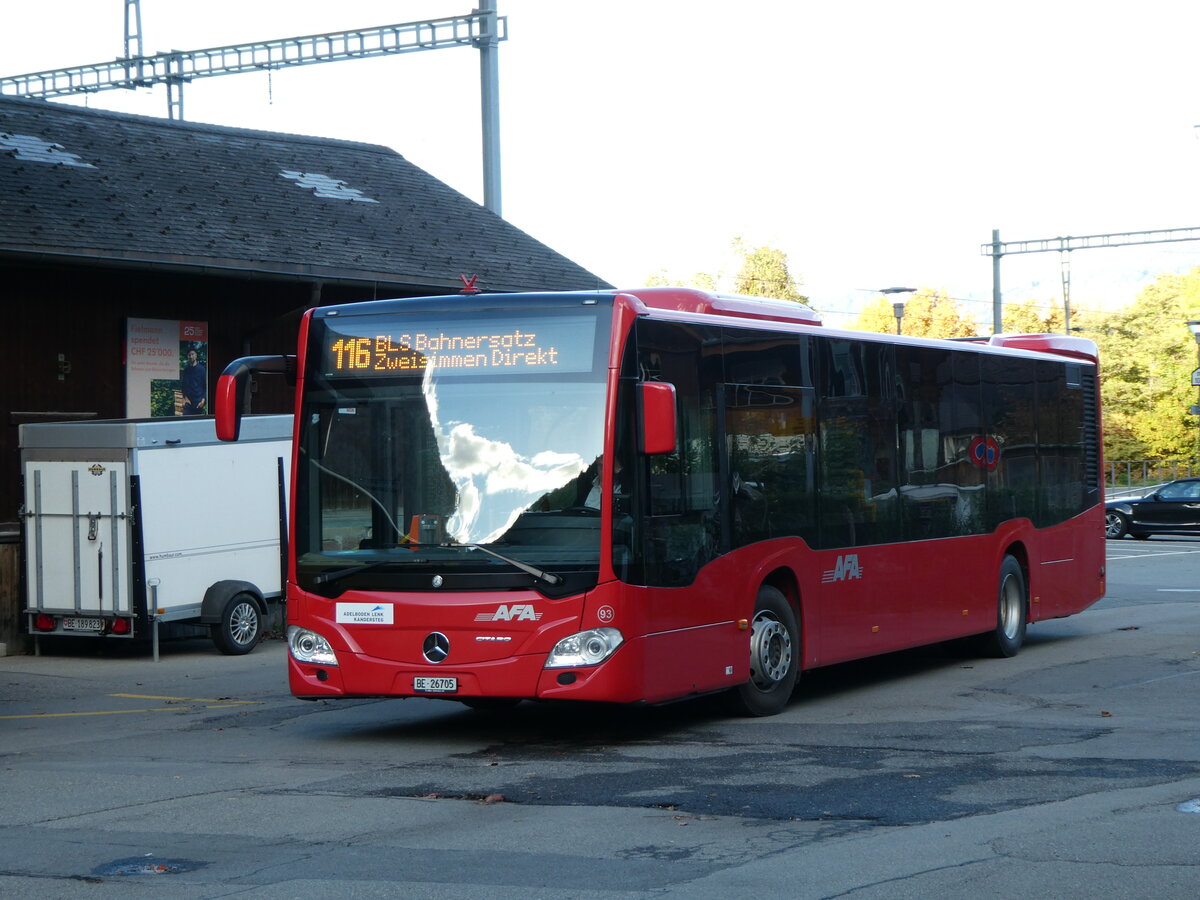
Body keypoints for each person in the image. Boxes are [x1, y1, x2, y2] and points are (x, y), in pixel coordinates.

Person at [180, 347, 207, 416]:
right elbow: (183, 386)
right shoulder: (186, 370)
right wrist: (185, 398)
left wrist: (203, 400)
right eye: (189, 355)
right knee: (185, 423)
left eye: (192, 354)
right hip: (188, 402)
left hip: (198, 402)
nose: (191, 356)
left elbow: (205, 386)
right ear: (187, 356)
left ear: (196, 355)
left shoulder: (202, 369)